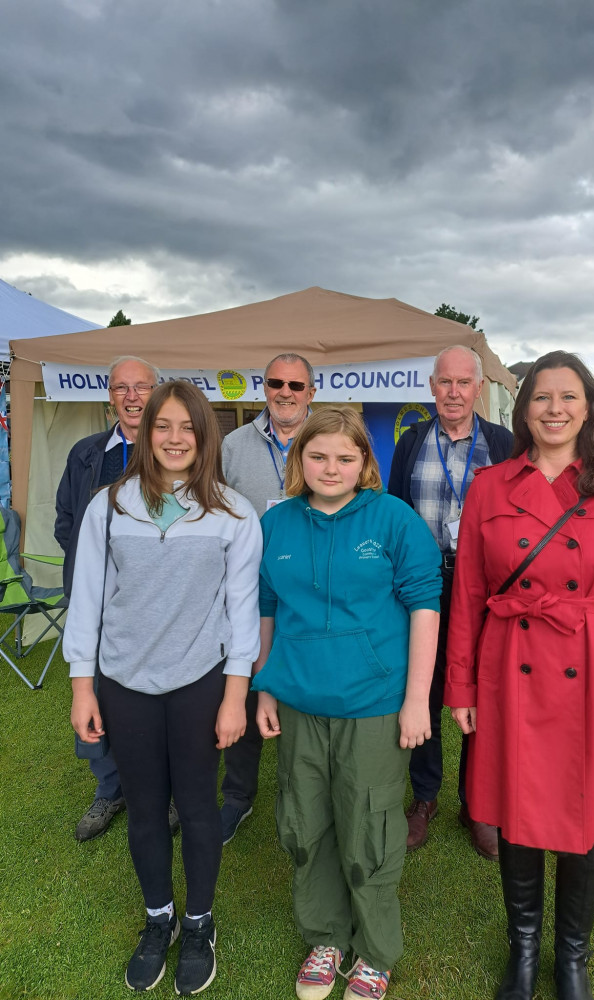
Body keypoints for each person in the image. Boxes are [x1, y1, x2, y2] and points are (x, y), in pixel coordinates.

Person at [445, 351, 594, 1000]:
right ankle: (523, 947)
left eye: (568, 397)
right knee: (515, 809)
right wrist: (459, 684)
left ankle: (572, 954)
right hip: (510, 670)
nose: (554, 409)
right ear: (522, 409)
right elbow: (466, 595)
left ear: (588, 407)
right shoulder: (490, 485)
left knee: (588, 808)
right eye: (541, 397)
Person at [65, 381, 262, 995]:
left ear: (205, 437)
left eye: (189, 428)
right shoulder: (109, 505)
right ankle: (160, 921)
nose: (176, 439)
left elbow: (242, 611)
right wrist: (81, 685)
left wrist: (235, 696)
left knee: (199, 809)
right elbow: (88, 602)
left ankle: (199, 924)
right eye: (163, 426)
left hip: (200, 682)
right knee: (146, 810)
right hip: (124, 683)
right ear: (145, 431)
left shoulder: (233, 512)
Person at [253, 407, 441, 1000]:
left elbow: (425, 608)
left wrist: (417, 701)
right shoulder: (277, 523)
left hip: (374, 703)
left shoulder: (394, 519)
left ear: (365, 463)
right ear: (297, 459)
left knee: (371, 828)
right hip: (300, 700)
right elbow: (264, 610)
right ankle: (326, 936)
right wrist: (264, 684)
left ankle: (375, 950)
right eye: (317, 456)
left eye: (345, 457)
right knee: (305, 822)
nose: (330, 468)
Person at [387, 344, 513, 859]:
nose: (454, 392)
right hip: (425, 586)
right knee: (427, 686)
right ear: (432, 387)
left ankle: (477, 802)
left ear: (479, 389)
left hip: (485, 587)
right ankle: (424, 797)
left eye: (464, 383)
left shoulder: (504, 443)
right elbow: (395, 513)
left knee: (482, 689)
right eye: (445, 382)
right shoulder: (412, 441)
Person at [55, 355, 180, 842]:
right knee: (98, 690)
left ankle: (162, 789)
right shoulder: (85, 453)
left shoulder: (173, 452)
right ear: (109, 396)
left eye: (141, 387)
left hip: (156, 603)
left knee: (159, 693)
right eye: (121, 388)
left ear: (157, 393)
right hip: (98, 603)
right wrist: (95, 573)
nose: (132, 397)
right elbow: (67, 519)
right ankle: (109, 787)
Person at [218, 351, 316, 845]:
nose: (286, 392)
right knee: (248, 685)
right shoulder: (233, 446)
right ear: (264, 387)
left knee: (307, 697)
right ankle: (237, 796)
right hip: (249, 592)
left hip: (313, 595)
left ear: (311, 393)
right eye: (277, 382)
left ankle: (306, 796)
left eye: (296, 385)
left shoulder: (330, 441)